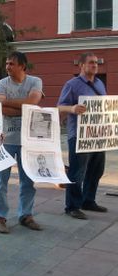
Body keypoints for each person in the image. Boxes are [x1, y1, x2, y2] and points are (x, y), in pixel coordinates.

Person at [0, 51, 44, 233]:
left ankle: (26, 215)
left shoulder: (35, 81)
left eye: (11, 64)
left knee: (28, 179)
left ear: (22, 66)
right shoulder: (1, 83)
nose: (7, 67)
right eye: (6, 63)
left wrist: (8, 102)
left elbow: (34, 101)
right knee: (0, 181)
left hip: (28, 140)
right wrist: (25, 108)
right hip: (5, 139)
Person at [57, 52, 107, 220]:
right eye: (91, 62)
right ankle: (72, 206)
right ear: (81, 65)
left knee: (96, 170)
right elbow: (60, 107)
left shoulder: (100, 84)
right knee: (77, 173)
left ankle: (88, 200)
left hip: (98, 136)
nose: (95, 65)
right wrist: (72, 109)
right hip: (79, 136)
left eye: (96, 63)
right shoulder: (72, 84)